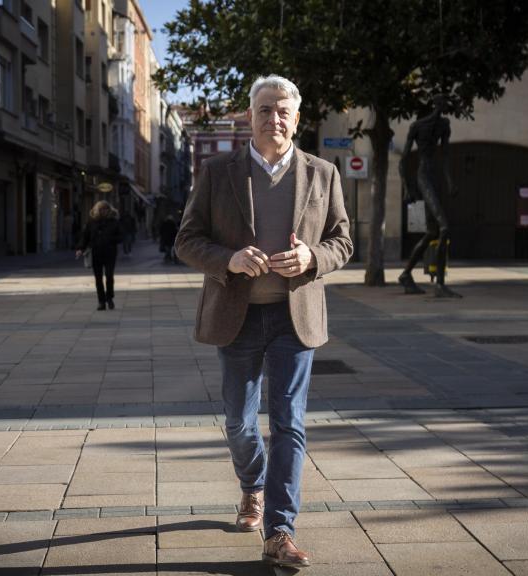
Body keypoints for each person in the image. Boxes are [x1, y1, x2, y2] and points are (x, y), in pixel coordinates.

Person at [175, 75, 352, 568]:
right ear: (248, 117)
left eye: (283, 111)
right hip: (238, 315)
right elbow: (186, 241)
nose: (274, 118)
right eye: (265, 109)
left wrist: (312, 257)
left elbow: (343, 240)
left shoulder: (323, 173)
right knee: (237, 420)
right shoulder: (217, 173)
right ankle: (252, 483)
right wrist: (228, 260)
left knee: (289, 424)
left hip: (294, 319)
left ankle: (280, 530)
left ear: (297, 119)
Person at [397, 95, 460, 298]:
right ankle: (440, 284)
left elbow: (446, 154)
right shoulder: (418, 126)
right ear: (435, 104)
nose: (443, 107)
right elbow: (404, 159)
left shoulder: (444, 125)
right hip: (423, 176)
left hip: (435, 177)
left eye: (445, 104)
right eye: (441, 104)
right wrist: (407, 187)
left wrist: (450, 181)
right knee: (444, 228)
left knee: (432, 232)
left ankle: (406, 274)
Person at [76, 200, 121, 310]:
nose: (103, 211)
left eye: (105, 209)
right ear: (97, 210)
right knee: (98, 278)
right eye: (100, 209)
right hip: (96, 253)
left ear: (109, 210)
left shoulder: (114, 221)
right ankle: (101, 301)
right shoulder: (92, 222)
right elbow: (85, 236)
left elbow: (121, 236)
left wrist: (111, 240)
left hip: (110, 252)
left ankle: (109, 298)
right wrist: (80, 248)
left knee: (109, 276)